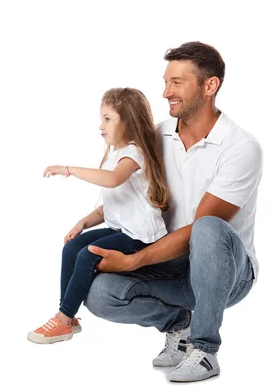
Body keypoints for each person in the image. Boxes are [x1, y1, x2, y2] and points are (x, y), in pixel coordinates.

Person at [84, 42, 263, 382]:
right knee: (98, 293)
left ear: (210, 86)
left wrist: (134, 261)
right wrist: (92, 218)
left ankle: (205, 349)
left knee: (208, 227)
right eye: (166, 82)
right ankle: (179, 328)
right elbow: (133, 193)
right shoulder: (156, 135)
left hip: (226, 274)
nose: (166, 92)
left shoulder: (241, 147)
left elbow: (202, 229)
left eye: (177, 83)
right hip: (168, 265)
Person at [27, 88, 170, 345]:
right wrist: (83, 222)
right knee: (72, 248)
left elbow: (113, 181)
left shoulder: (133, 153)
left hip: (140, 236)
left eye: (107, 119)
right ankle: (67, 317)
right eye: (101, 119)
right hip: (120, 229)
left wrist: (69, 169)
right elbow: (112, 204)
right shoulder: (115, 154)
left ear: (127, 120)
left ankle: (63, 318)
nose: (100, 126)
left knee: (87, 254)